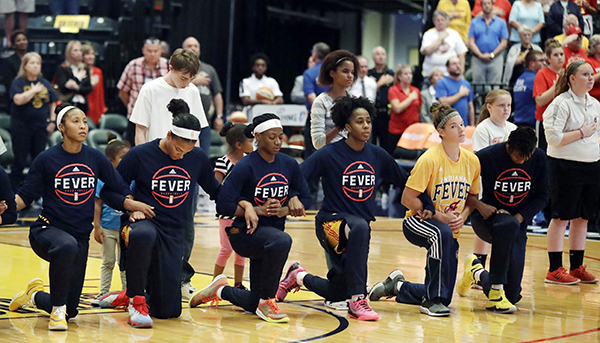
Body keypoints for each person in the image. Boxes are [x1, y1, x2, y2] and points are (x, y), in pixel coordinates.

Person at [277, 95, 434, 321]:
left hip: (357, 230)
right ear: (347, 127)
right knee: (360, 228)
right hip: (330, 224)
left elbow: (406, 180)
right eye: (360, 122)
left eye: (368, 121)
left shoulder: (377, 154)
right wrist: (293, 196)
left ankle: (298, 276)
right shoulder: (329, 154)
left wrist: (427, 202)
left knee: (339, 291)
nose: (366, 126)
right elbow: (297, 176)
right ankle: (359, 300)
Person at [9, 103, 153, 331]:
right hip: (46, 231)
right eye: (75, 121)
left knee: (72, 309)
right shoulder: (46, 159)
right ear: (62, 127)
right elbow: (25, 196)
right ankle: (56, 311)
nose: (83, 126)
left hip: (79, 239)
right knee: (65, 247)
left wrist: (131, 204)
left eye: (85, 121)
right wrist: (6, 206)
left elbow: (117, 187)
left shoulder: (96, 158)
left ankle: (35, 296)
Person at [98, 99, 221, 327]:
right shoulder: (140, 154)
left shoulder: (197, 158)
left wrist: (245, 206)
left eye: (187, 151)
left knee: (168, 311)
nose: (181, 156)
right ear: (169, 135)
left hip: (174, 231)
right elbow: (108, 191)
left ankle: (129, 292)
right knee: (144, 235)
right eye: (178, 149)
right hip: (142, 223)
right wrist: (130, 205)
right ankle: (136, 300)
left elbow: (217, 192)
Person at [189, 113, 311, 324]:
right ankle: (267, 301)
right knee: (283, 240)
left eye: (280, 136)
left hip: (270, 239)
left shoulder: (289, 164)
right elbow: (223, 204)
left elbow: (306, 197)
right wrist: (254, 208)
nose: (278, 141)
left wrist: (292, 202)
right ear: (257, 137)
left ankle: (222, 290)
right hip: (244, 234)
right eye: (272, 136)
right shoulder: (245, 166)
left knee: (253, 301)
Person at [370, 103, 481, 317]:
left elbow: (473, 198)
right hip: (417, 221)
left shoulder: (472, 161)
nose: (461, 130)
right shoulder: (429, 159)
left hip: (449, 229)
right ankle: (430, 303)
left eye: (462, 125)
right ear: (440, 132)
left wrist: (464, 216)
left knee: (445, 295)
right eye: (453, 126)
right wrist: (441, 217)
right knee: (441, 235)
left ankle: (398, 286)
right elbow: (407, 199)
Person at [129, 48, 209, 301]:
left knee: (185, 226)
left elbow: (197, 133)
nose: (187, 83)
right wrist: (140, 164)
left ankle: (182, 279)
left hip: (183, 167)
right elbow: (141, 130)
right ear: (171, 69)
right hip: (156, 166)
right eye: (184, 77)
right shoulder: (150, 89)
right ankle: (150, 280)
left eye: (191, 78)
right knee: (152, 225)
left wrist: (194, 166)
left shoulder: (192, 91)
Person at [457, 127, 549, 313]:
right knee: (506, 225)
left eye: (526, 157)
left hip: (516, 223)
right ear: (509, 146)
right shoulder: (486, 157)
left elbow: (543, 196)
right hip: (487, 218)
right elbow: (464, 189)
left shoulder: (539, 158)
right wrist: (480, 206)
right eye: (517, 156)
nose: (521, 161)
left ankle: (476, 271)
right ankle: (491, 289)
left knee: (512, 296)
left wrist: (517, 218)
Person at [543, 61, 600, 285]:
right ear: (571, 79)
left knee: (582, 218)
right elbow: (554, 139)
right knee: (560, 218)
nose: (590, 78)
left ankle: (577, 267)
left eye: (592, 74)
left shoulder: (595, 104)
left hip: (591, 165)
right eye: (584, 74)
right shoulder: (560, 103)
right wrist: (581, 132)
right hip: (564, 166)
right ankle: (554, 269)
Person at [470, 89, 517, 282]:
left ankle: (492, 271)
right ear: (489, 107)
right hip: (487, 186)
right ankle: (476, 271)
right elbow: (483, 159)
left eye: (508, 105)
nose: (506, 109)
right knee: (485, 229)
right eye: (501, 105)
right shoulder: (483, 129)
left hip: (507, 186)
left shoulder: (513, 128)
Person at [212, 122, 254, 289]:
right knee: (226, 249)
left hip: (243, 213)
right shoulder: (223, 162)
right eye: (250, 141)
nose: (253, 144)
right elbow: (216, 188)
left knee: (241, 251)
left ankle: (238, 284)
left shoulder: (248, 161)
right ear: (239, 145)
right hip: (228, 214)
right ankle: (215, 283)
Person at [91, 133, 130, 305]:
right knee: (108, 262)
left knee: (125, 264)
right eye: (122, 157)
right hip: (107, 228)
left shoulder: (130, 179)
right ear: (110, 160)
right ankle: (103, 293)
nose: (126, 160)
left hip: (124, 229)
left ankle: (127, 294)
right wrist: (97, 226)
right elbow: (97, 205)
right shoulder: (101, 181)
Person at [9, 52, 57, 191]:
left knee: (38, 162)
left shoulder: (45, 83)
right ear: (24, 66)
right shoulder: (18, 82)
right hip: (21, 128)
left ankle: (36, 195)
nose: (36, 66)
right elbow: (18, 100)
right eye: (32, 63)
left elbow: (53, 103)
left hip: (40, 128)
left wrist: (52, 122)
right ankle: (15, 195)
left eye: (38, 63)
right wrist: (33, 90)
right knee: (20, 162)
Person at [117, 37, 168, 144]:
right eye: (149, 51)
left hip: (160, 117)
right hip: (136, 118)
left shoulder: (167, 66)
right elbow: (122, 92)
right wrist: (135, 107)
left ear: (161, 51)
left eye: (156, 51)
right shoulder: (133, 65)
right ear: (143, 51)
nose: (152, 54)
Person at [310, 50, 358, 150]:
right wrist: (339, 126)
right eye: (345, 71)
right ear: (332, 73)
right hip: (330, 155)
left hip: (352, 154)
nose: (350, 76)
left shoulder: (355, 100)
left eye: (352, 72)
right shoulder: (321, 101)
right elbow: (318, 143)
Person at [182, 36, 224, 131]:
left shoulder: (209, 69)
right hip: (183, 120)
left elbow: (217, 94)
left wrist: (219, 116)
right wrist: (195, 81)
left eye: (196, 46)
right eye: (189, 46)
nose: (193, 48)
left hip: (204, 120)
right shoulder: (178, 68)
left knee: (203, 146)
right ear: (183, 50)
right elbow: (175, 86)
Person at [533, 39, 564, 151]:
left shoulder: (567, 72)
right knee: (543, 153)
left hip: (562, 121)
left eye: (561, 54)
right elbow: (540, 101)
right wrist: (556, 85)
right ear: (548, 58)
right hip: (545, 121)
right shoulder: (542, 74)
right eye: (556, 55)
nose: (560, 57)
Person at [468, 0, 508, 85]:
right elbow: (471, 42)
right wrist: (480, 55)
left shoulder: (501, 22)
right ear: (481, 6)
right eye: (484, 4)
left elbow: (504, 42)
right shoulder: (474, 22)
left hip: (496, 58)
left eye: (488, 3)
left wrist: (492, 54)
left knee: (494, 87)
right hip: (478, 59)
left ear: (492, 5)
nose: (487, 6)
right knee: (478, 86)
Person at [303, 42, 331, 158]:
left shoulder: (310, 73)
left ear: (314, 55)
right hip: (335, 117)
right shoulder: (335, 72)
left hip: (316, 117)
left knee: (313, 152)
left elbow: (311, 97)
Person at [421, 10, 468, 78]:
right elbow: (427, 51)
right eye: (438, 20)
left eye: (442, 20)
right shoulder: (428, 34)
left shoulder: (454, 34)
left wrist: (461, 72)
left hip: (449, 74)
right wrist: (440, 39)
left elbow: (461, 55)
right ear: (434, 21)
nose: (440, 22)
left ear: (446, 21)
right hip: (430, 74)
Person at [368, 46, 395, 154]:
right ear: (373, 57)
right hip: (373, 112)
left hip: (387, 114)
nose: (380, 57)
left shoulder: (391, 74)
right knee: (371, 144)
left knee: (386, 145)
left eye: (382, 54)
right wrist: (380, 83)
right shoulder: (368, 74)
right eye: (377, 54)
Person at [388, 65, 421, 146]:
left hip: (413, 130)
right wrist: (410, 98)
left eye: (410, 73)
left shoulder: (416, 90)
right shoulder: (393, 90)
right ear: (399, 76)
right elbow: (397, 108)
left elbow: (419, 109)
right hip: (397, 130)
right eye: (406, 74)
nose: (409, 76)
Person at [436, 56, 475, 125]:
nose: (458, 66)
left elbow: (470, 106)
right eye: (454, 64)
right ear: (447, 68)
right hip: (449, 125)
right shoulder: (442, 82)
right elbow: (443, 102)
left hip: (465, 125)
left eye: (459, 63)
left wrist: (472, 125)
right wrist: (460, 94)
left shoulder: (465, 83)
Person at [56, 40, 92, 113]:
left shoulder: (84, 68)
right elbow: (63, 87)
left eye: (80, 50)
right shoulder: (63, 68)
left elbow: (88, 88)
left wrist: (77, 87)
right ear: (69, 53)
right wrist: (77, 77)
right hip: (68, 103)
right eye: (75, 50)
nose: (78, 53)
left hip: (82, 104)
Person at [513, 50, 545, 128]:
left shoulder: (520, 78)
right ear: (531, 63)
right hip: (531, 123)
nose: (544, 63)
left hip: (518, 121)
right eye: (541, 60)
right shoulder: (535, 79)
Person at [81, 43, 106, 126]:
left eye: (92, 54)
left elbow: (101, 92)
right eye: (87, 54)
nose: (91, 57)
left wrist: (102, 108)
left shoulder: (98, 71)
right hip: (85, 106)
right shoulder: (80, 71)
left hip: (96, 107)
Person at [1, 30, 28, 105]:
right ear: (13, 44)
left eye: (24, 39)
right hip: (16, 94)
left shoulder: (32, 58)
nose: (22, 42)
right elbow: (9, 83)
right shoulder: (8, 61)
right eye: (18, 40)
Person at [586, 34, 600, 101]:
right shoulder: (589, 61)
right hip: (594, 98)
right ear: (593, 47)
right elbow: (589, 79)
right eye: (599, 44)